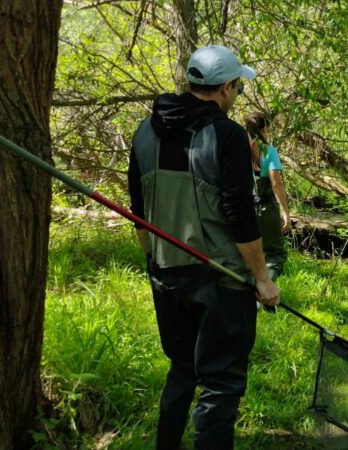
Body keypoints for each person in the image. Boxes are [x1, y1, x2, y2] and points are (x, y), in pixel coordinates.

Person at [127, 45, 280, 449]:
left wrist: (154, 261)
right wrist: (262, 278)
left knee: (182, 369)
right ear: (226, 87)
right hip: (221, 282)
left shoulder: (144, 131)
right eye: (238, 87)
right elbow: (239, 215)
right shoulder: (227, 135)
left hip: (166, 276)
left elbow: (139, 213)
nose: (237, 95)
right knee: (221, 382)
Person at [244, 112, 291, 281]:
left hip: (244, 208)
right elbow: (276, 183)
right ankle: (266, 287)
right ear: (263, 129)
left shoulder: (238, 149)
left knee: (246, 254)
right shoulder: (269, 151)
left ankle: (249, 291)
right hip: (266, 209)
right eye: (267, 130)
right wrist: (285, 212)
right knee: (275, 254)